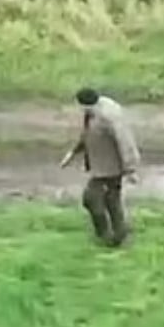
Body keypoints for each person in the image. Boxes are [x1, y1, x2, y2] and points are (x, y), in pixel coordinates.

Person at [59, 87, 141, 247]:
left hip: (111, 168)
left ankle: (109, 235)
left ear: (85, 104)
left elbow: (125, 142)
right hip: (101, 166)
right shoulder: (93, 113)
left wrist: (130, 169)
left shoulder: (109, 117)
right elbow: (88, 134)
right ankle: (116, 235)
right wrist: (73, 153)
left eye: (79, 105)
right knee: (111, 200)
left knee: (93, 199)